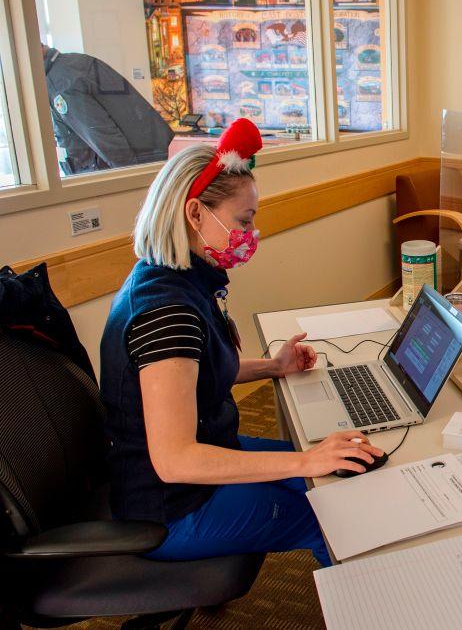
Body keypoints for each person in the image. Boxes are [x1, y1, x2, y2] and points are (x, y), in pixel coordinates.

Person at [100, 118, 384, 567]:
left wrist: (271, 367)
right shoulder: (167, 314)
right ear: (195, 213)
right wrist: (304, 462)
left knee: (339, 471)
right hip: (170, 506)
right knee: (332, 516)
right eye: (243, 220)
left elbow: (197, 372)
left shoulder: (173, 279)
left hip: (203, 460)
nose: (250, 234)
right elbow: (176, 461)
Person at [42, 45, 174, 175]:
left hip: (137, 164)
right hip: (153, 155)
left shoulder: (61, 84)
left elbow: (102, 135)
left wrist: (129, 177)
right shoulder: (74, 63)